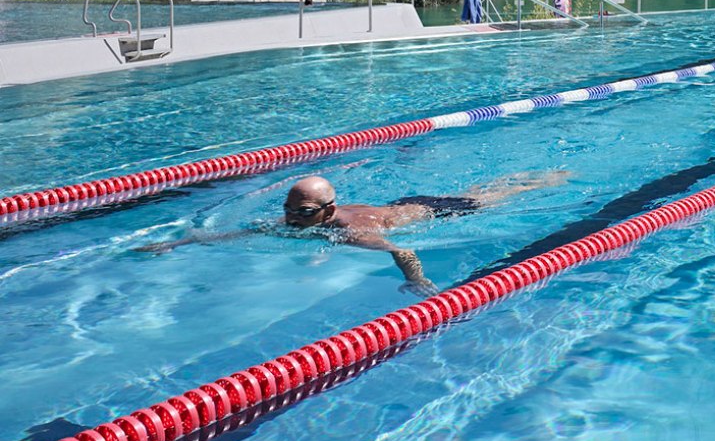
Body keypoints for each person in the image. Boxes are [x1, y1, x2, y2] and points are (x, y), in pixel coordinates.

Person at [138, 170, 570, 295]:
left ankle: (541, 180)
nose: (291, 220)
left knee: (490, 197)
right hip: (401, 202)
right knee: (476, 188)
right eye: (289, 212)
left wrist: (418, 282)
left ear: (327, 211)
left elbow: (401, 251)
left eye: (303, 213)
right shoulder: (302, 221)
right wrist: (179, 243)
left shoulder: (352, 233)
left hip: (431, 212)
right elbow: (244, 232)